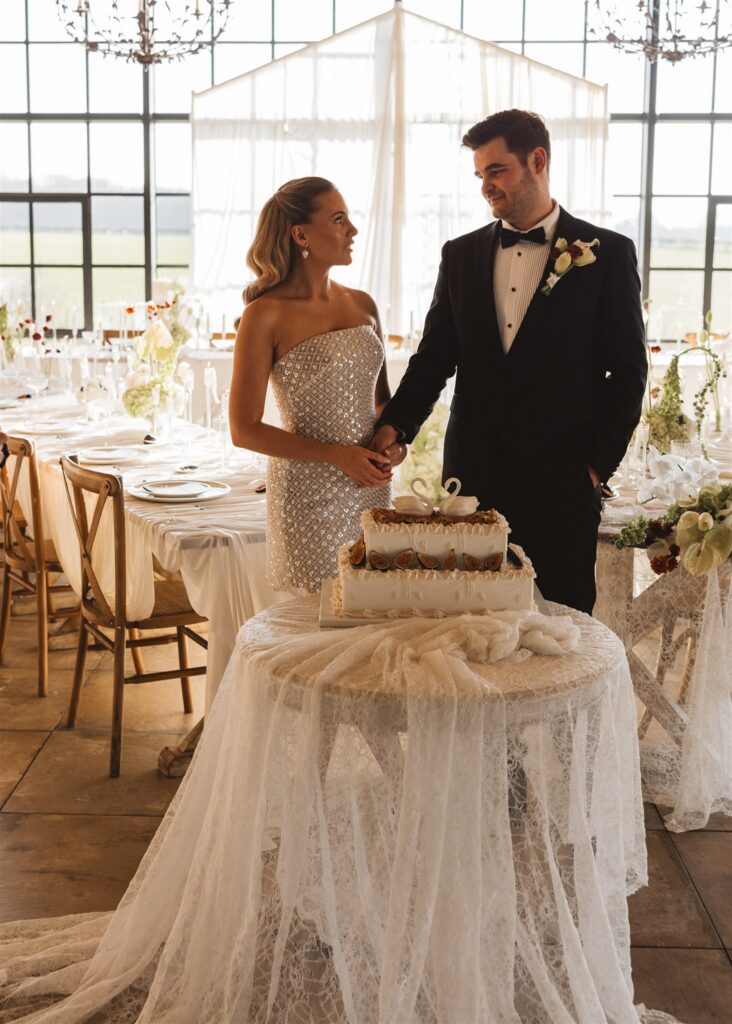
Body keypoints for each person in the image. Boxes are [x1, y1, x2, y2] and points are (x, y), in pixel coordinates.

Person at [372, 109, 647, 614]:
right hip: (471, 478)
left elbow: (628, 371)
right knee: (465, 619)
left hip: (562, 481)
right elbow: (435, 358)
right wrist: (396, 425)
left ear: (536, 161)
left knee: (561, 627)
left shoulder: (606, 254)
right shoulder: (459, 255)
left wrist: (593, 467)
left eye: (495, 171)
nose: (485, 188)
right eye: (480, 175)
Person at [228, 176, 393, 593]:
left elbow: (382, 405)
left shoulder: (363, 304)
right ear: (300, 233)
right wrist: (337, 456)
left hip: (370, 489)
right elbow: (243, 429)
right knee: (318, 621)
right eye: (339, 220)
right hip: (307, 499)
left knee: (377, 606)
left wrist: (395, 444)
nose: (352, 230)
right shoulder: (263, 315)